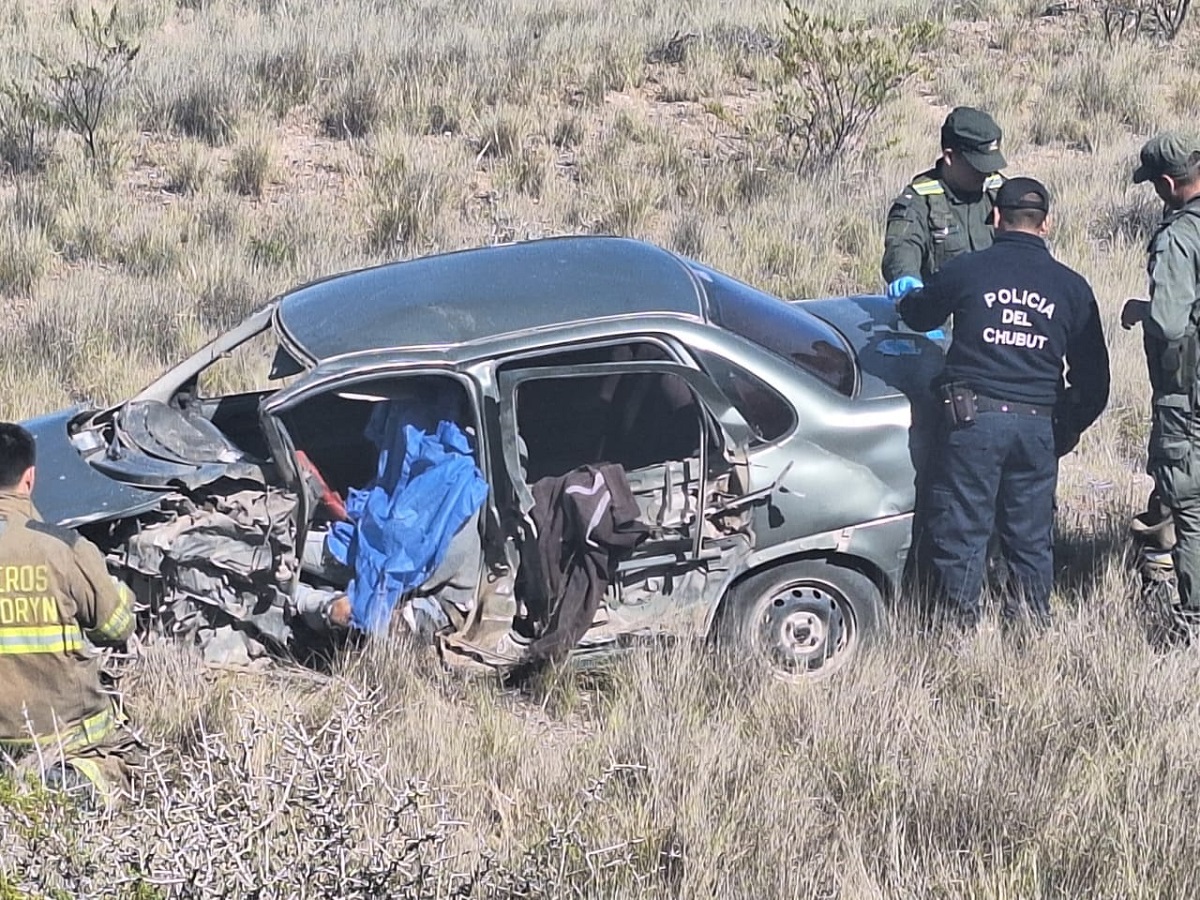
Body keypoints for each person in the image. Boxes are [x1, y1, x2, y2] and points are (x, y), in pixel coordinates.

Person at [896, 177, 1110, 629]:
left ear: (996, 218)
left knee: (962, 530)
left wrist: (908, 291)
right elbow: (1095, 382)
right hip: (1037, 427)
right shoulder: (1072, 288)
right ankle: (1029, 631)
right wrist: (1063, 425)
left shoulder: (969, 270)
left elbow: (917, 313)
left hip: (972, 423)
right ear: (1046, 224)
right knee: (1030, 539)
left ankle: (956, 633)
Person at [0, 422, 138, 807]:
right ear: (29, 478)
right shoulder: (62, 548)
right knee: (124, 762)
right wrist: (120, 592)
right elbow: (117, 626)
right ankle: (80, 784)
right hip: (61, 734)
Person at [1120, 132, 1200, 640]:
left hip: (1187, 392)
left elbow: (1170, 325)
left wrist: (1144, 311)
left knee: (1187, 500)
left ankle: (1192, 618)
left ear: (1168, 183)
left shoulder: (1180, 238)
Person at [882, 106, 1008, 307]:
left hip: (997, 314)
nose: (986, 173)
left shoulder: (1000, 192)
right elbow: (903, 244)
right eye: (978, 166)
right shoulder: (920, 199)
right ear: (950, 157)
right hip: (945, 316)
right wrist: (905, 276)